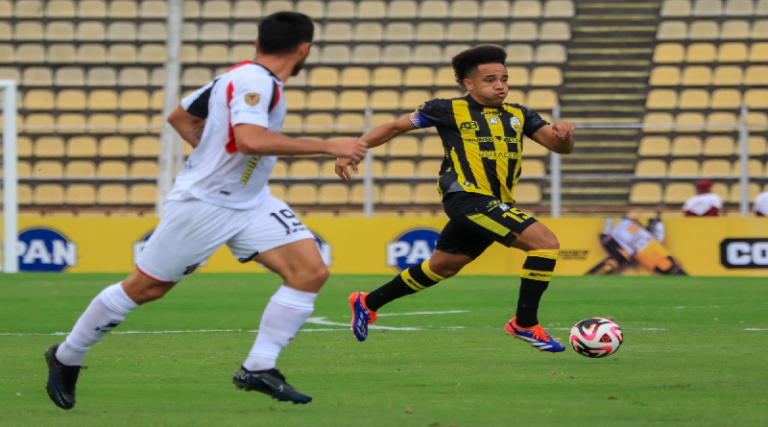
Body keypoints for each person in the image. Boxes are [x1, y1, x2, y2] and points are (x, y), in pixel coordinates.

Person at [44, 11, 367, 409]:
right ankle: (67, 356)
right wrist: (329, 145)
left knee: (310, 271)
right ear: (305, 49)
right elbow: (250, 141)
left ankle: (259, 367)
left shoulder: (235, 76)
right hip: (206, 202)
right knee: (147, 288)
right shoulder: (255, 82)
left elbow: (180, 117)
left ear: (257, 43)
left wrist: (212, 153)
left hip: (250, 199)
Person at [335, 45, 575, 352]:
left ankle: (367, 302)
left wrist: (565, 136)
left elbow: (558, 147)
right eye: (490, 79)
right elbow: (395, 127)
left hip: (494, 201)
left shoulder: (520, 115)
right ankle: (525, 323)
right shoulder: (447, 109)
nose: (500, 85)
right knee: (545, 243)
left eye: (504, 78)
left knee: (443, 267)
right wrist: (356, 147)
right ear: (469, 84)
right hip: (466, 196)